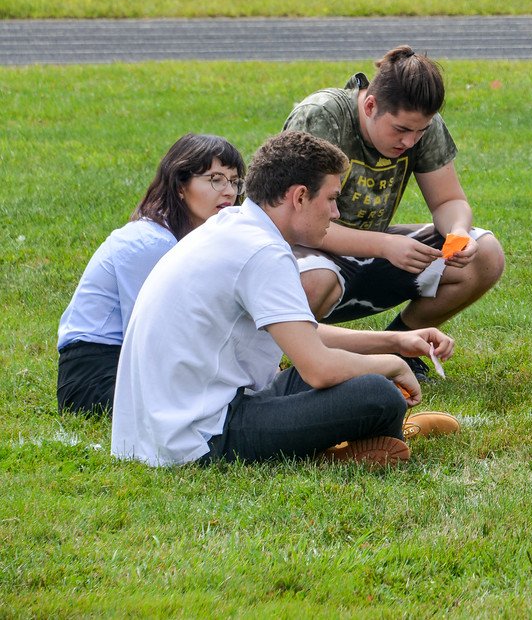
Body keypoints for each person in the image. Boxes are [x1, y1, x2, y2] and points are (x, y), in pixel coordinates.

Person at [111, 131, 460, 468]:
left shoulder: (236, 227)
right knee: (376, 393)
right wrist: (394, 364)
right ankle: (346, 444)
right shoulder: (262, 251)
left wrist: (396, 342)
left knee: (354, 378)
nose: (336, 213)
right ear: (299, 197)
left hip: (164, 429)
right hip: (199, 439)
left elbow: (301, 332)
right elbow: (319, 369)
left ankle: (356, 440)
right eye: (332, 198)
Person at [285, 45, 505, 345]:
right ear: (370, 105)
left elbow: (448, 201)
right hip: (302, 252)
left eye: (420, 132)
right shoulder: (322, 116)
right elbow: (298, 224)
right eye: (401, 129)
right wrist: (385, 245)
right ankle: (304, 355)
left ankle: (402, 347)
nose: (410, 141)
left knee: (487, 254)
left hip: (370, 251)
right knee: (314, 280)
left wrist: (458, 232)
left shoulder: (421, 126)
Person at [56, 133, 246, 415]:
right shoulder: (151, 243)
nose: (229, 191)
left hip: (131, 364)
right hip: (93, 376)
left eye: (234, 181)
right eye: (215, 179)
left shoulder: (193, 240)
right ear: (180, 186)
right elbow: (152, 338)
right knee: (212, 407)